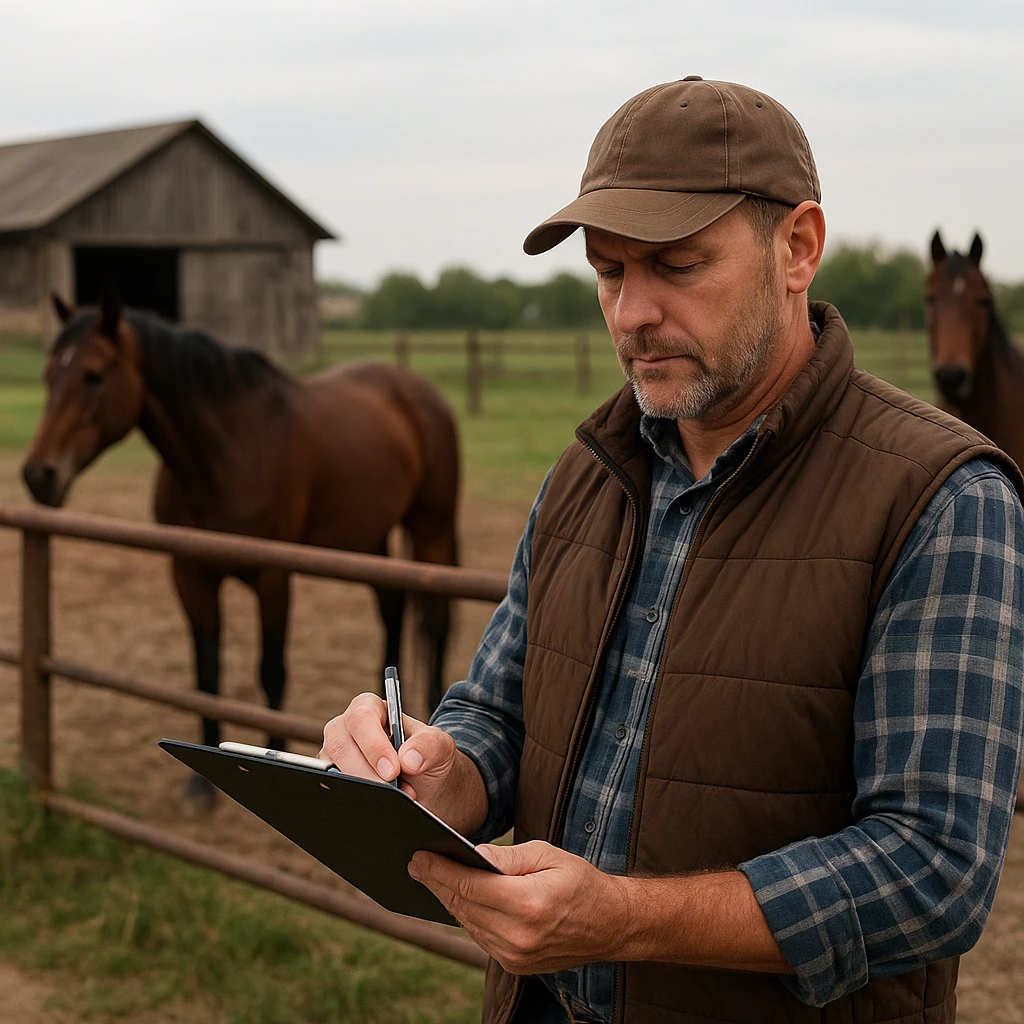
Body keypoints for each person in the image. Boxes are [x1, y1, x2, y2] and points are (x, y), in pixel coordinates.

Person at [321, 78, 1024, 1024]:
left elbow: (932, 869)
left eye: (678, 265)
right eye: (609, 272)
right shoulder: (588, 470)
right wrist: (443, 773)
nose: (630, 313)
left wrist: (626, 920)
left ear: (798, 248)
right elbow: (500, 707)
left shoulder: (941, 498)